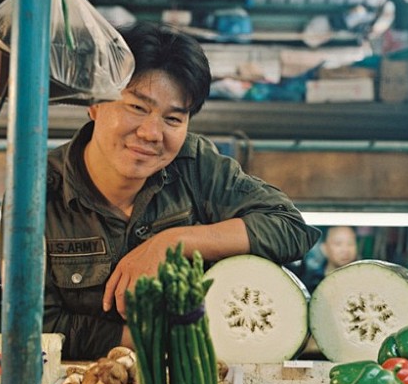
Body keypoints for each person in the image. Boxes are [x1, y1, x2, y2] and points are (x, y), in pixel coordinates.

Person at [44, 22, 320, 360]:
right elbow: (39, 325)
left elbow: (290, 228)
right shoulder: (38, 191)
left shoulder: (195, 164)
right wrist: (164, 339)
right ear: (95, 103)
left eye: (173, 119)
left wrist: (172, 243)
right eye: (137, 107)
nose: (151, 133)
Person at [301, 225, 359, 293]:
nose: (345, 249)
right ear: (324, 248)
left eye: (350, 243)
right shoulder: (310, 281)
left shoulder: (362, 280)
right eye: (338, 243)